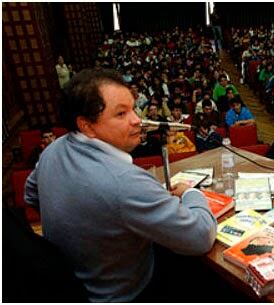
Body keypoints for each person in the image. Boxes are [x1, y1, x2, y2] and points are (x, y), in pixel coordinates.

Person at [24, 69, 217, 302]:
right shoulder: (125, 182)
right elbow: (200, 236)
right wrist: (192, 193)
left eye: (133, 108)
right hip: (126, 291)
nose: (137, 119)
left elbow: (31, 195)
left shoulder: (52, 150)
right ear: (86, 125)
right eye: (121, 114)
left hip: (75, 282)